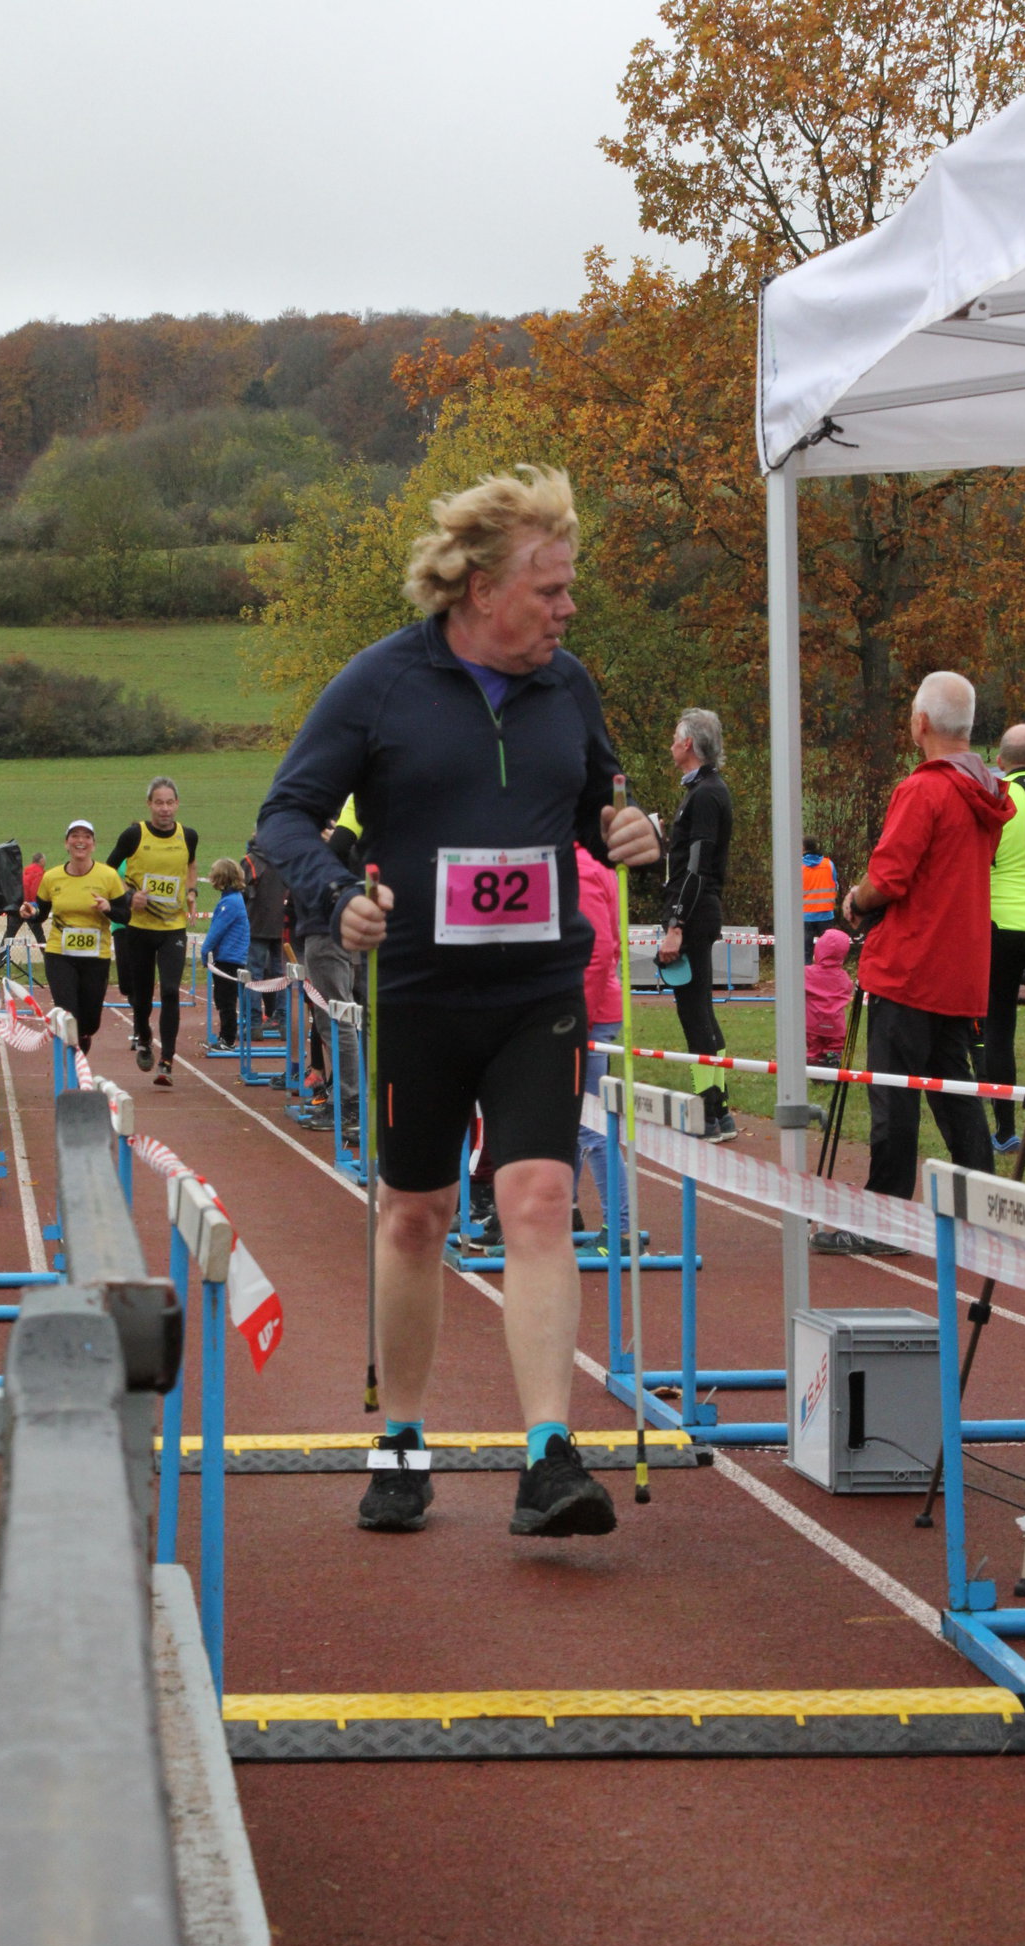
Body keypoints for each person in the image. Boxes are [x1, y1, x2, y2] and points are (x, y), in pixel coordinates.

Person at [257, 464, 660, 1539]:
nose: (567, 609)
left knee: (537, 1199)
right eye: (550, 589)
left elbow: (602, 804)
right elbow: (284, 816)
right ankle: (401, 1442)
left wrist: (633, 831)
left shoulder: (567, 687)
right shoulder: (380, 684)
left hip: (539, 992)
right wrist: (336, 896)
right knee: (416, 1214)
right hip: (421, 997)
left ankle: (548, 1456)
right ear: (482, 589)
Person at [813, 672, 1013, 1254]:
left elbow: (890, 878)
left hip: (908, 967)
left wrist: (856, 900)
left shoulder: (923, 790)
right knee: (954, 1093)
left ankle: (887, 1218)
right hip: (960, 969)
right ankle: (984, 1209)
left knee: (893, 1096)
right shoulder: (989, 794)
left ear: (920, 723)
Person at [658, 709, 736, 1140]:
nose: (671, 744)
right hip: (696, 908)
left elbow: (697, 867)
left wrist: (676, 924)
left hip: (693, 912)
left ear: (688, 744)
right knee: (701, 1008)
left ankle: (707, 1114)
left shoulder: (706, 794)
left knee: (694, 1013)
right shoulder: (702, 790)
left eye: (675, 737)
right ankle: (720, 1111)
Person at [108, 778, 198, 1088]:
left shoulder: (188, 836)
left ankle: (167, 1060)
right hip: (139, 929)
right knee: (142, 997)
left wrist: (192, 891)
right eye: (158, 802)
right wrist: (129, 895)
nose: (164, 809)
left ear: (177, 804)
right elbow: (108, 871)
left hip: (173, 928)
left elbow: (191, 864)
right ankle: (144, 1037)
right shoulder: (134, 835)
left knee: (171, 991)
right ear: (149, 805)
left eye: (170, 802)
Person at [983, 723, 1025, 1156]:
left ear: (1001, 761)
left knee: (999, 1026)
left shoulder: (997, 797)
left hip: (1000, 925)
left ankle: (1005, 1130)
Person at [20, 821, 126, 1059]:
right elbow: (41, 911)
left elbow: (125, 914)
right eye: (75, 836)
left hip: (95, 956)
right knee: (67, 1012)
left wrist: (109, 908)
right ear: (66, 844)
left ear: (93, 844)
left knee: (90, 1020)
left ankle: (83, 1037)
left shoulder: (108, 876)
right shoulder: (52, 877)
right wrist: (31, 911)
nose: (80, 841)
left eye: (86, 837)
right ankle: (72, 1058)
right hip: (60, 954)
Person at [297, 799, 365, 1141]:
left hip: (329, 929)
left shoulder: (339, 834)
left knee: (339, 1017)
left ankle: (350, 1103)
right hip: (321, 927)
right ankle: (346, 1099)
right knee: (334, 1018)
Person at [574, 843, 630, 1258]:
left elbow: (597, 950)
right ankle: (564, 1212)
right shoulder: (591, 861)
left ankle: (620, 1229)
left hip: (588, 1013)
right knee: (573, 1122)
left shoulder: (579, 865)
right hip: (588, 1007)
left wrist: (580, 1018)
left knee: (591, 1127)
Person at [201, 858, 251, 1050]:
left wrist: (205, 951)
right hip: (230, 956)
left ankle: (228, 1039)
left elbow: (216, 931)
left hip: (229, 958)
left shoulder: (230, 903)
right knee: (223, 998)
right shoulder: (232, 899)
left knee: (226, 1000)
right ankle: (225, 1037)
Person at [241, 833, 286, 1031]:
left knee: (254, 976)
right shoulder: (286, 860)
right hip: (282, 925)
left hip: (257, 925)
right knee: (282, 975)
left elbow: (241, 891)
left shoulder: (250, 861)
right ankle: (282, 1019)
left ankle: (254, 1022)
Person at [805, 927, 854, 1068]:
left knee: (814, 1048)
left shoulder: (807, 973)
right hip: (836, 1026)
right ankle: (833, 1059)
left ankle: (814, 1062)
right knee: (836, 1046)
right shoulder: (844, 977)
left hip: (813, 1024)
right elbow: (848, 991)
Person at [801, 836, 839, 963]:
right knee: (827, 952)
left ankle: (806, 975)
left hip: (805, 916)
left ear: (803, 847)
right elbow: (835, 886)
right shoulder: (829, 865)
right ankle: (826, 974)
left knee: (805, 953)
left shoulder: (797, 866)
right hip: (826, 915)